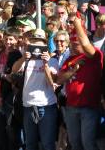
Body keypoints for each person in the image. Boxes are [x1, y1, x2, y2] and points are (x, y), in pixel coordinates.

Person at [57, 15, 103, 150]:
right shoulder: (70, 60)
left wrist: (77, 23)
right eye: (72, 43)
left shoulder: (95, 55)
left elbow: (86, 45)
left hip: (89, 107)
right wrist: (73, 69)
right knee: (75, 143)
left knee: (88, 143)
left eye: (76, 43)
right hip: (71, 107)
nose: (73, 46)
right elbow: (59, 80)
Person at [12, 29, 59, 150]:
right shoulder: (27, 59)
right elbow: (14, 70)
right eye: (34, 42)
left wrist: (46, 64)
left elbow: (52, 83)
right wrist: (23, 58)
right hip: (28, 106)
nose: (37, 45)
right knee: (30, 144)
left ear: (45, 44)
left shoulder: (53, 61)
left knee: (47, 144)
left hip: (46, 105)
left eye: (40, 42)